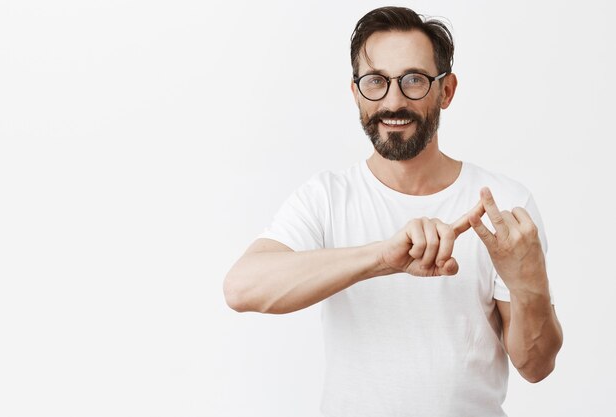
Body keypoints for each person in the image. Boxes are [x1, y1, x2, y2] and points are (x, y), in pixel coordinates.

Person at [223, 6, 563, 417]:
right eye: (376, 82)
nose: (393, 100)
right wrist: (383, 257)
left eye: (414, 80)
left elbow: (536, 365)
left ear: (447, 90)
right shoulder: (327, 197)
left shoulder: (504, 206)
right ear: (355, 93)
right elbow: (241, 289)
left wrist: (529, 283)